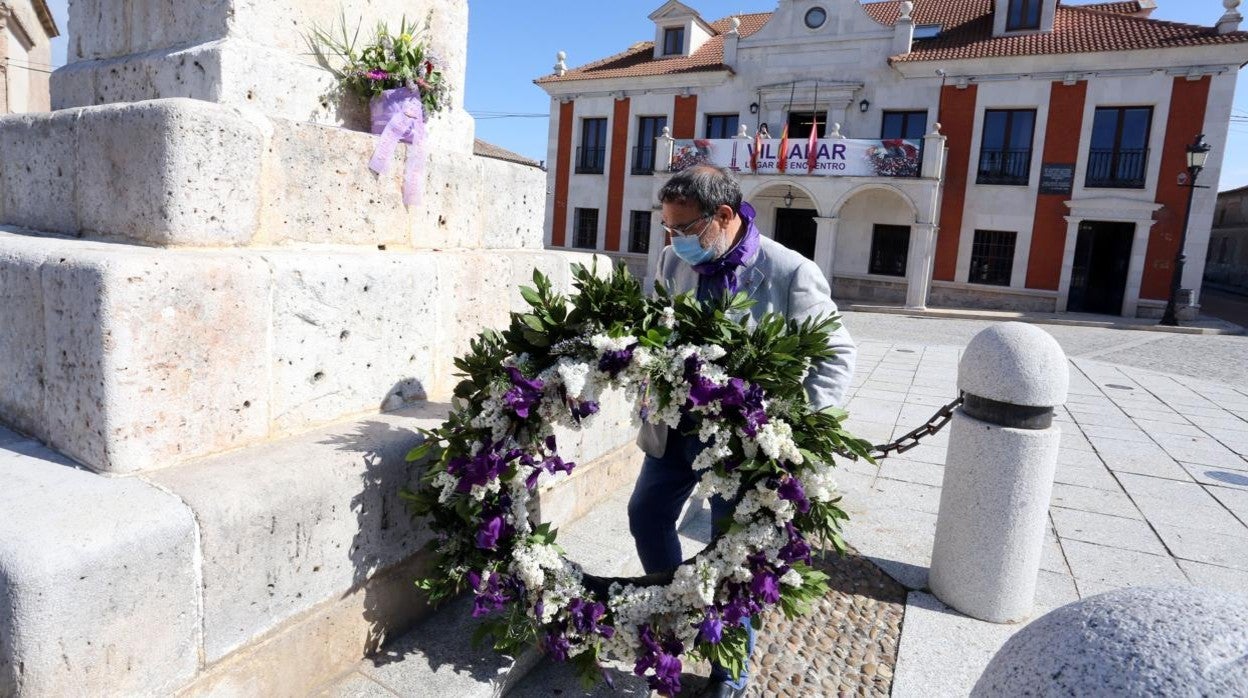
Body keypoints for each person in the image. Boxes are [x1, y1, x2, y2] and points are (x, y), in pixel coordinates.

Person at [628, 165, 856, 697]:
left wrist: (789, 429)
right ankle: (679, 612)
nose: (674, 241)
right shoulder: (670, 260)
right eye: (668, 229)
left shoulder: (791, 272)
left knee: (734, 553)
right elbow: (658, 328)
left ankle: (731, 670)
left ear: (724, 217)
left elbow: (836, 356)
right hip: (676, 430)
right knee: (647, 515)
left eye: (684, 230)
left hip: (744, 450)